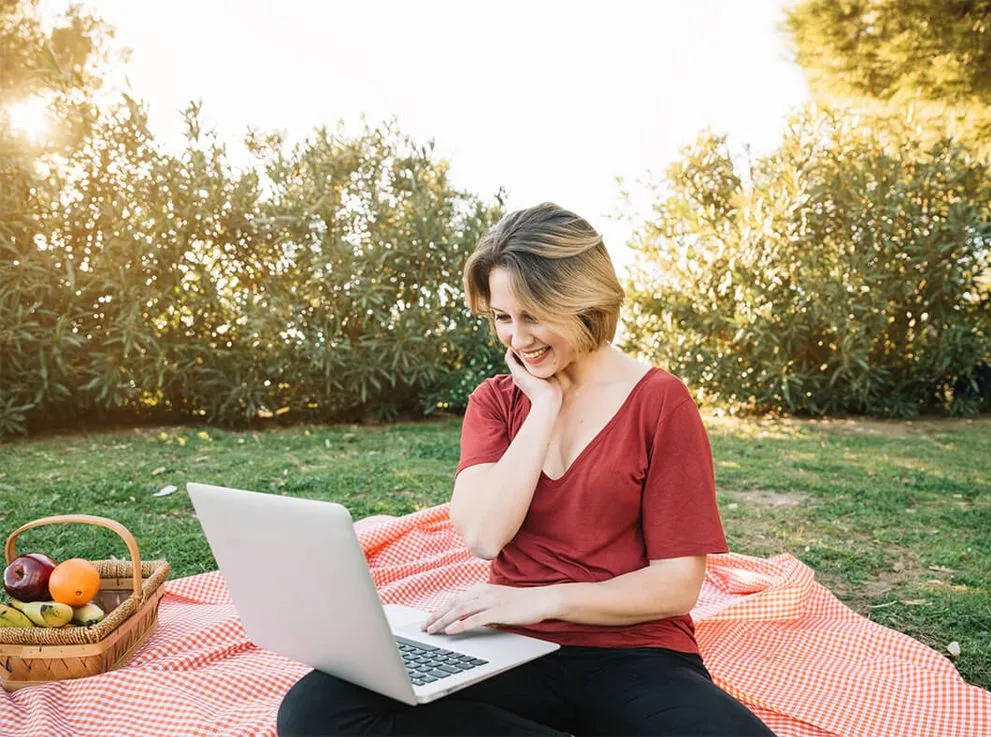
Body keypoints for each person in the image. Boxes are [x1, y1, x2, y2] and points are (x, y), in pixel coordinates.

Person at [277, 203, 776, 737]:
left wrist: (539, 600)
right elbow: (484, 537)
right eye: (502, 317)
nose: (517, 339)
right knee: (316, 708)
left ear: (584, 301)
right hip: (508, 650)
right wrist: (542, 409)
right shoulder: (496, 401)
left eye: (533, 315)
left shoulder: (660, 401)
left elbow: (677, 584)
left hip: (633, 655)